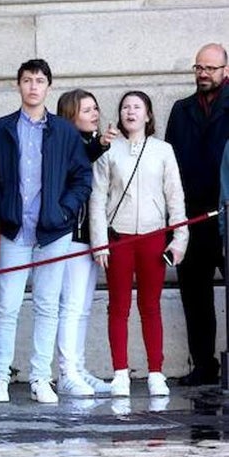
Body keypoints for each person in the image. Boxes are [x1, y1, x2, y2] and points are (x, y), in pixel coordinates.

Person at [0, 59, 92, 404]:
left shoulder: (64, 131)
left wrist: (65, 209)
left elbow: (82, 177)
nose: (33, 86)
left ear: (48, 86)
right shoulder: (1, 130)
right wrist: (3, 206)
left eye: (39, 80)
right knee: (7, 306)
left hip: (53, 231)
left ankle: (40, 378)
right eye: (27, 80)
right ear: (18, 85)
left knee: (47, 305)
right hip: (15, 229)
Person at [91, 91, 188, 398]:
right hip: (118, 239)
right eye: (125, 107)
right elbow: (97, 198)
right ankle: (120, 373)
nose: (130, 112)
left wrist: (180, 239)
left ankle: (155, 373)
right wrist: (99, 243)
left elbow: (175, 196)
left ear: (148, 115)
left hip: (153, 238)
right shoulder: (108, 151)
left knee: (151, 307)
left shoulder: (163, 150)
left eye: (137, 107)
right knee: (118, 307)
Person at [164, 42, 229, 386]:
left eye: (211, 68)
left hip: (226, 216)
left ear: (225, 71)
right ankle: (204, 365)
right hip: (191, 218)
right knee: (195, 296)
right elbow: (170, 166)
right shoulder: (181, 109)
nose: (203, 73)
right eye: (199, 67)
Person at [55, 89, 118, 397]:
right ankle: (67, 372)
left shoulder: (89, 145)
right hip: (69, 235)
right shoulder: (68, 145)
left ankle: (78, 368)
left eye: (96, 108)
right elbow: (77, 167)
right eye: (87, 110)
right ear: (70, 115)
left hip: (89, 235)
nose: (95, 113)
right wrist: (99, 145)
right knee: (70, 305)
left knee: (81, 307)